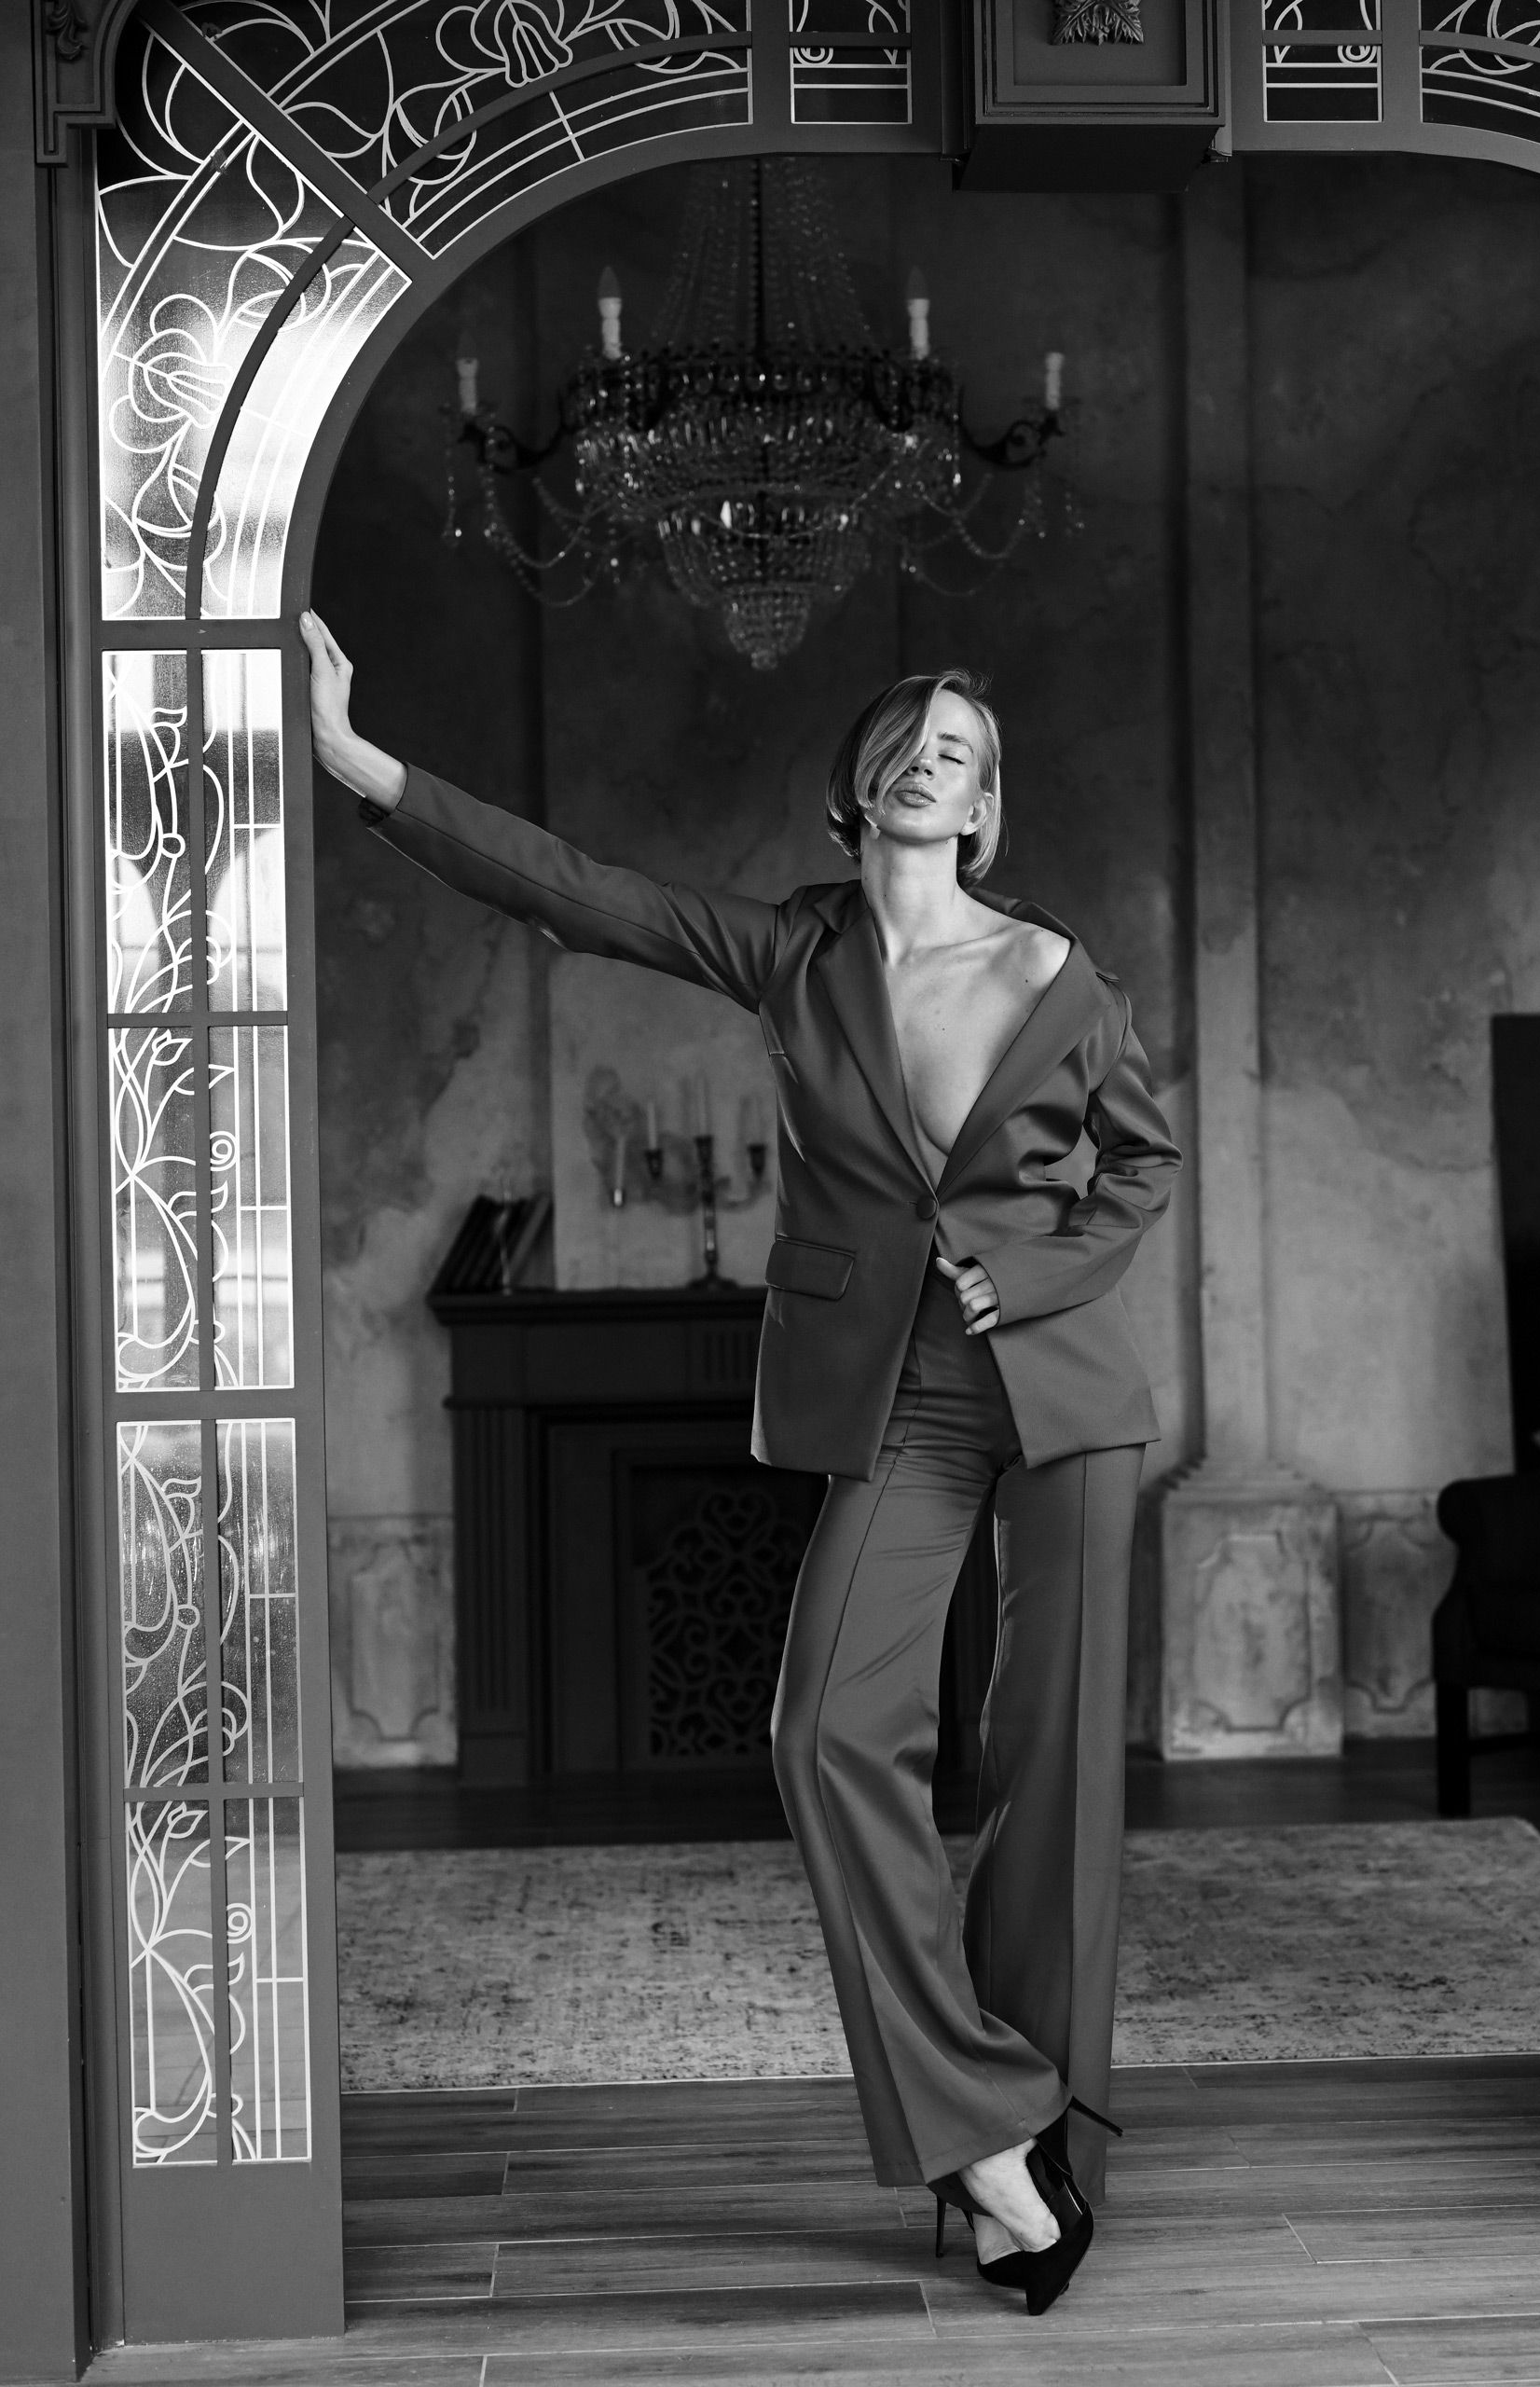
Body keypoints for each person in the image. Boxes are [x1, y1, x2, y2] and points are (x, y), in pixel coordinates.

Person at [299, 609, 1181, 2315]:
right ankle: (985, 2125)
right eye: (912, 742)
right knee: (826, 1731)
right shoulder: (795, 953)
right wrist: (363, 767)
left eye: (963, 755)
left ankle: (1052, 2144)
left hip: (1061, 1392)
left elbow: (1141, 1166)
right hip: (894, 1396)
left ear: (987, 805)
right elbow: (584, 892)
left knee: (1052, 1773)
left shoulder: (1060, 976)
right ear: (864, 779)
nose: (935, 766)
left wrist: (1030, 1270)